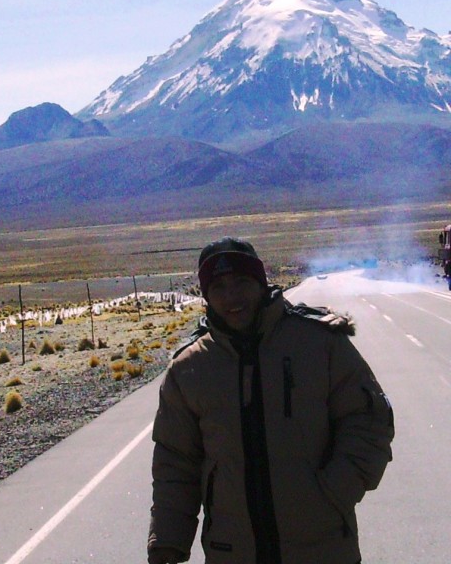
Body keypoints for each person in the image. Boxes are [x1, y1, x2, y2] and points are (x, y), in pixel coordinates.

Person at [147, 237, 394, 564]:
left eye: (241, 282)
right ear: (206, 296)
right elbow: (176, 461)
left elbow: (368, 419)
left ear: (261, 283)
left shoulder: (318, 343)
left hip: (321, 547)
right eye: (218, 287)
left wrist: (333, 493)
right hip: (232, 551)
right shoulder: (190, 369)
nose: (231, 297)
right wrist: (167, 541)